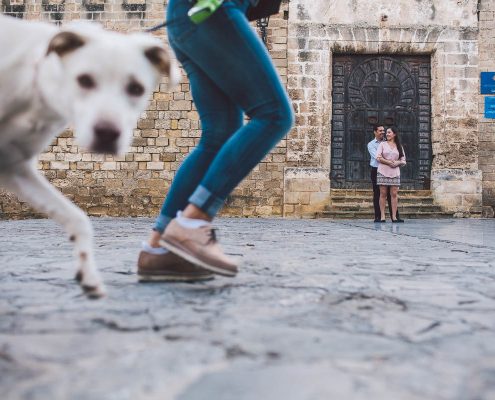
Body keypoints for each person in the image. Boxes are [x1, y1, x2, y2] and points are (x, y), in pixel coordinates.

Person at [137, 0, 294, 282]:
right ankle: (193, 222)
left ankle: (157, 250)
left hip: (185, 17)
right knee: (274, 115)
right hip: (213, 10)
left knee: (220, 135)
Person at [367, 124, 400, 223]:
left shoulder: (388, 142)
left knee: (392, 194)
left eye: (383, 130)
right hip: (376, 169)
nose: (383, 132)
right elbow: (377, 157)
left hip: (389, 169)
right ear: (375, 132)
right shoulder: (371, 144)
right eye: (380, 131)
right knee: (378, 193)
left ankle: (395, 216)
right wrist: (390, 161)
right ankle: (378, 216)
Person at [376, 127, 406, 223]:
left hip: (395, 172)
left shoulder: (399, 146)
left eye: (389, 132)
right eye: (387, 133)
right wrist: (388, 162)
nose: (387, 134)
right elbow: (378, 157)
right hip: (383, 171)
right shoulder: (382, 144)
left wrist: (397, 163)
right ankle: (382, 216)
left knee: (394, 194)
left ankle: (394, 217)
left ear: (394, 134)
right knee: (383, 194)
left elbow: (403, 160)